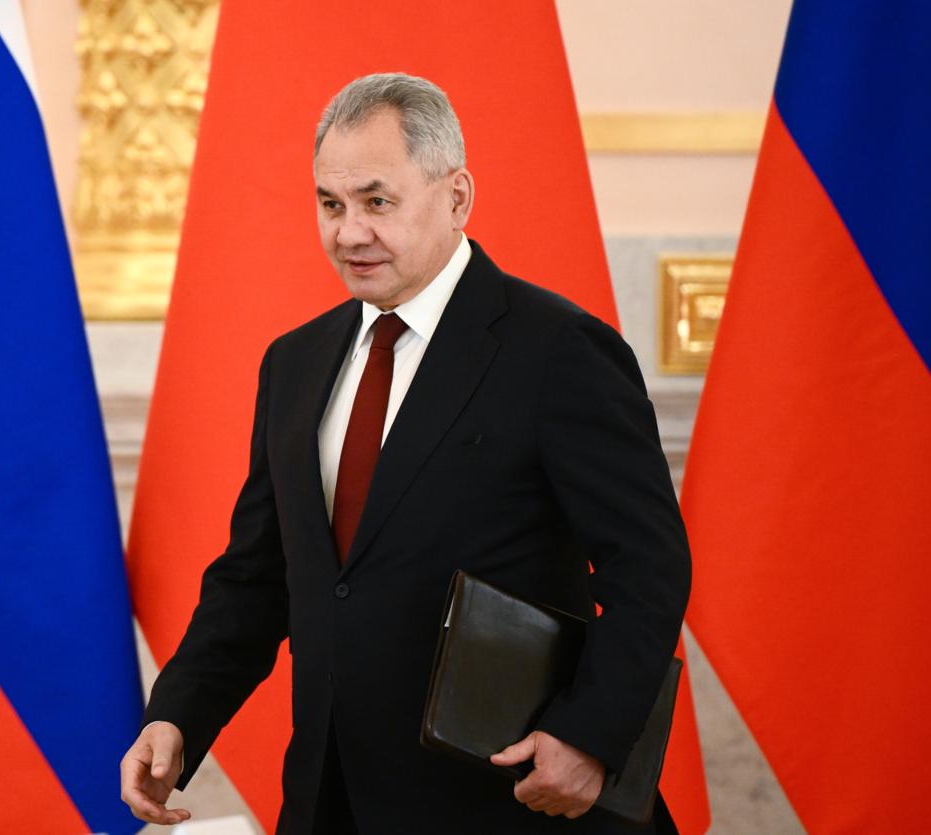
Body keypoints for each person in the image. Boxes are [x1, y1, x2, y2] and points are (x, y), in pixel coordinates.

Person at [120, 73, 690, 834]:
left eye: (376, 201)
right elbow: (258, 575)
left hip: (511, 800)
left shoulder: (560, 349)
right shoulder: (294, 362)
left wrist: (591, 734)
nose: (349, 232)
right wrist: (178, 714)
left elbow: (649, 566)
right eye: (331, 204)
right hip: (330, 802)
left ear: (456, 197)